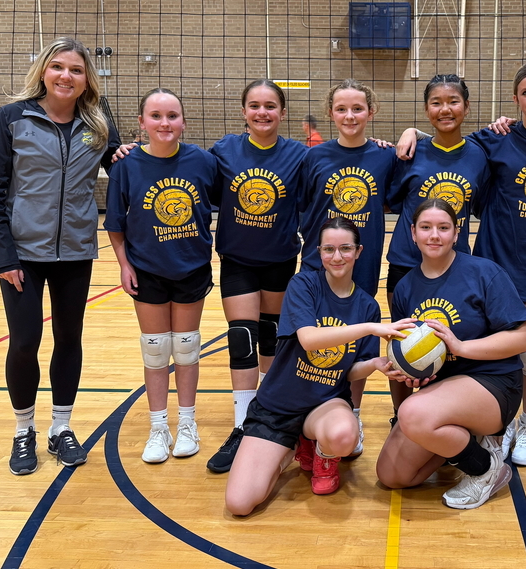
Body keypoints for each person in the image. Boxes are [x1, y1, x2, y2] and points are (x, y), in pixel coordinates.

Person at [396, 63, 526, 469]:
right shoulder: (496, 139)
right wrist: (413, 132)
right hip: (494, 257)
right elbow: (447, 141)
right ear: (514, 99)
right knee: (484, 348)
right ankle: (489, 419)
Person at [0, 37, 120, 475]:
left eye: (75, 70)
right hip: (22, 252)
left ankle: (62, 428)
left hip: (76, 251)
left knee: (68, 340)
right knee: (24, 342)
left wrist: (130, 154)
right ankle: (24, 431)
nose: (66, 76)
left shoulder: (98, 120)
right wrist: (4, 257)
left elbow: (119, 166)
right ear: (43, 71)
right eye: (58, 67)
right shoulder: (12, 118)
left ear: (85, 80)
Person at [224, 217, 411, 516]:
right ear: (319, 251)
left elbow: (348, 371)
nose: (337, 257)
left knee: (343, 436)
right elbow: (309, 340)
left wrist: (375, 364)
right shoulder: (303, 284)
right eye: (329, 249)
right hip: (278, 407)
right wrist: (370, 328)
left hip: (324, 404)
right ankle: (291, 448)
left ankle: (323, 452)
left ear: (359, 251)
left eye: (345, 248)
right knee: (239, 504)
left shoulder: (366, 306)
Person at [376, 199, 526, 509]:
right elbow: (404, 351)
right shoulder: (405, 288)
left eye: (443, 228)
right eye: (426, 228)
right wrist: (401, 369)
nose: (435, 235)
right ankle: (464, 439)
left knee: (413, 415)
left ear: (456, 234)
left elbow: (522, 339)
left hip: (493, 383)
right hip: (440, 392)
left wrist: (461, 348)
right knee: (392, 474)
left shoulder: (483, 272)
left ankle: (486, 468)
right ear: (413, 233)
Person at [105, 88, 220, 464]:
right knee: (155, 351)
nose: (164, 123)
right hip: (147, 271)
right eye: (155, 116)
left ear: (183, 121)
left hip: (190, 268)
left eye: (172, 115)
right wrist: (124, 264)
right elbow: (115, 224)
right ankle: (158, 427)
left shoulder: (203, 162)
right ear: (142, 123)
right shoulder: (125, 166)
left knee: (186, 348)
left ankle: (187, 422)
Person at [205, 80, 308, 474]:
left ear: (282, 112)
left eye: (270, 106)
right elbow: (186, 167)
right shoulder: (224, 151)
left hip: (280, 259)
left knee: (272, 336)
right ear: (243, 111)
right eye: (254, 105)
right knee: (242, 337)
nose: (262, 112)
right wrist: (127, 151)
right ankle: (242, 425)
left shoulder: (298, 155)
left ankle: (269, 417)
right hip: (238, 259)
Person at [298, 79, 398, 453]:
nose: (350, 115)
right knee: (318, 343)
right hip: (318, 265)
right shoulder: (315, 157)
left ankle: (351, 413)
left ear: (371, 112)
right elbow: (303, 207)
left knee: (355, 344)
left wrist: (407, 132)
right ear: (331, 113)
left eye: (358, 108)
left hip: (363, 266)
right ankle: (314, 411)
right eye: (342, 109)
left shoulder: (384, 157)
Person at [384, 75, 489, 422]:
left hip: (456, 270)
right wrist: (410, 133)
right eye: (436, 102)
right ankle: (402, 417)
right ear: (427, 110)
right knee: (402, 346)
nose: (446, 109)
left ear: (467, 106)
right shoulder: (410, 152)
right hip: (406, 265)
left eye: (453, 101)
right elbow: (390, 198)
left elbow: (483, 204)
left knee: (450, 347)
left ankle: (444, 413)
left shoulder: (479, 155)